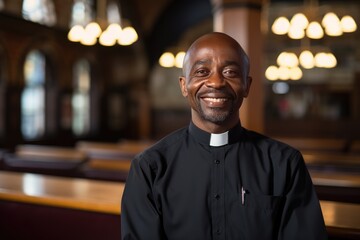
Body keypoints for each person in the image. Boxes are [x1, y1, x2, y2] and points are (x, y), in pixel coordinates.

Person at [121, 32, 327, 240]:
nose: (217, 82)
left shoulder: (285, 163)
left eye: (230, 72)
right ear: (184, 85)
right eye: (202, 71)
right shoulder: (149, 168)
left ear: (247, 85)